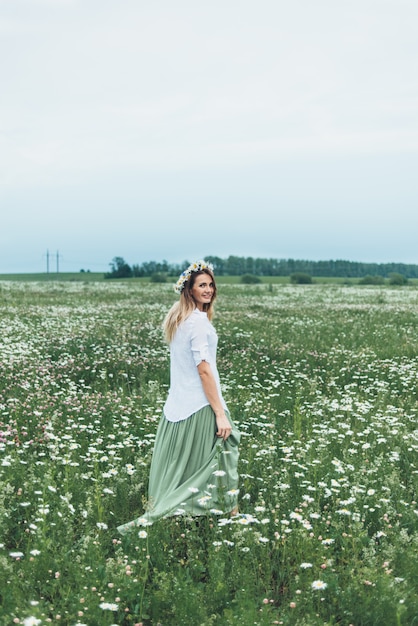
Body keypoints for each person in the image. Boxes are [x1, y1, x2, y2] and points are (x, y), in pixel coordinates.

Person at [117, 260, 240, 534]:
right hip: (201, 403)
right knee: (224, 452)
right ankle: (230, 513)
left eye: (210, 285)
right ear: (190, 290)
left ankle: (194, 510)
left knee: (184, 463)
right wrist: (219, 412)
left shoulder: (180, 320)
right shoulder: (196, 323)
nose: (208, 290)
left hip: (177, 404)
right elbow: (204, 370)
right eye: (202, 285)